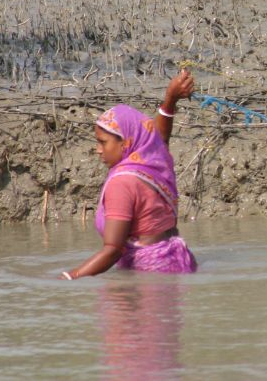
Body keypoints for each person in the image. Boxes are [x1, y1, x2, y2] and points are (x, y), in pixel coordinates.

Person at [61, 69, 197, 279]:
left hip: (148, 275)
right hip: (176, 262)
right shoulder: (153, 166)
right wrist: (170, 101)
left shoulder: (122, 183)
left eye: (103, 142)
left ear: (125, 143)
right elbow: (159, 138)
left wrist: (71, 277)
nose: (98, 149)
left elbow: (113, 249)